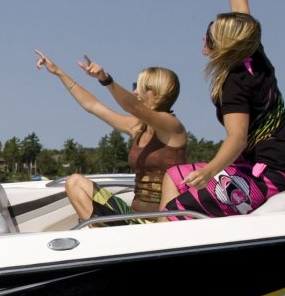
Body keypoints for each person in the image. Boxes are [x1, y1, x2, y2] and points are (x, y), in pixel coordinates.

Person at [162, 0, 285, 217]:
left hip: (269, 176)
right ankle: (165, 242)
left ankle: (171, 239)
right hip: (248, 167)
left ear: (226, 46)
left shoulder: (235, 84)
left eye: (210, 36)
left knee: (176, 209)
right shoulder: (254, 55)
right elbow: (242, 12)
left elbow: (237, 138)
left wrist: (210, 171)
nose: (204, 38)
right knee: (173, 176)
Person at [34, 50, 187, 224]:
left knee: (162, 219)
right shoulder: (137, 127)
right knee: (75, 183)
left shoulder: (173, 128)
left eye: (139, 86)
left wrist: (105, 79)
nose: (135, 92)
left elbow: (133, 107)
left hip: (165, 222)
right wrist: (59, 72)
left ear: (156, 93)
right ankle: (106, 240)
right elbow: (92, 105)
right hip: (135, 218)